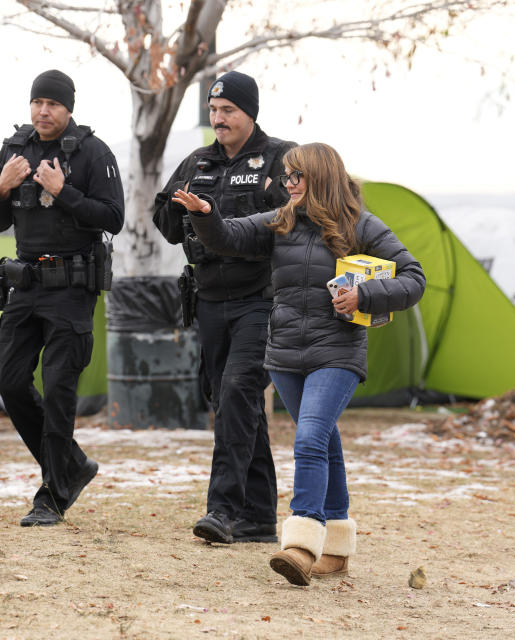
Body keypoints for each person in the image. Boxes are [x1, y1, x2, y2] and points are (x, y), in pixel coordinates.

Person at [172, 142, 426, 585]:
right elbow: (226, 238)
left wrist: (364, 295)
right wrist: (205, 214)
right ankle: (338, 551)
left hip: (338, 353)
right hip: (286, 356)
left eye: (296, 176)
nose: (286, 183)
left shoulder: (361, 226)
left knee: (308, 438)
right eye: (285, 176)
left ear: (321, 178)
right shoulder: (280, 222)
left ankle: (301, 544)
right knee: (325, 443)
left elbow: (413, 279)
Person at [152, 70, 297, 544]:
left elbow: (299, 217)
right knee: (234, 402)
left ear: (249, 112)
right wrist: (179, 209)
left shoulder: (280, 158)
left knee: (238, 392)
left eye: (228, 110)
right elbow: (166, 223)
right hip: (209, 300)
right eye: (213, 111)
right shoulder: (197, 162)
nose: (219, 118)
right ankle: (257, 518)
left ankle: (223, 509)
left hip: (261, 300)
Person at [0, 69, 125, 527]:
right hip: (25, 285)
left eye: (53, 104)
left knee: (60, 388)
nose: (43, 111)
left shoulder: (92, 152)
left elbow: (113, 217)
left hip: (71, 288)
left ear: (69, 109)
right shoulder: (15, 147)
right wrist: (2, 188)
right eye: (37, 102)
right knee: (8, 379)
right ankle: (71, 465)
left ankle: (53, 495)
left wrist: (64, 192)